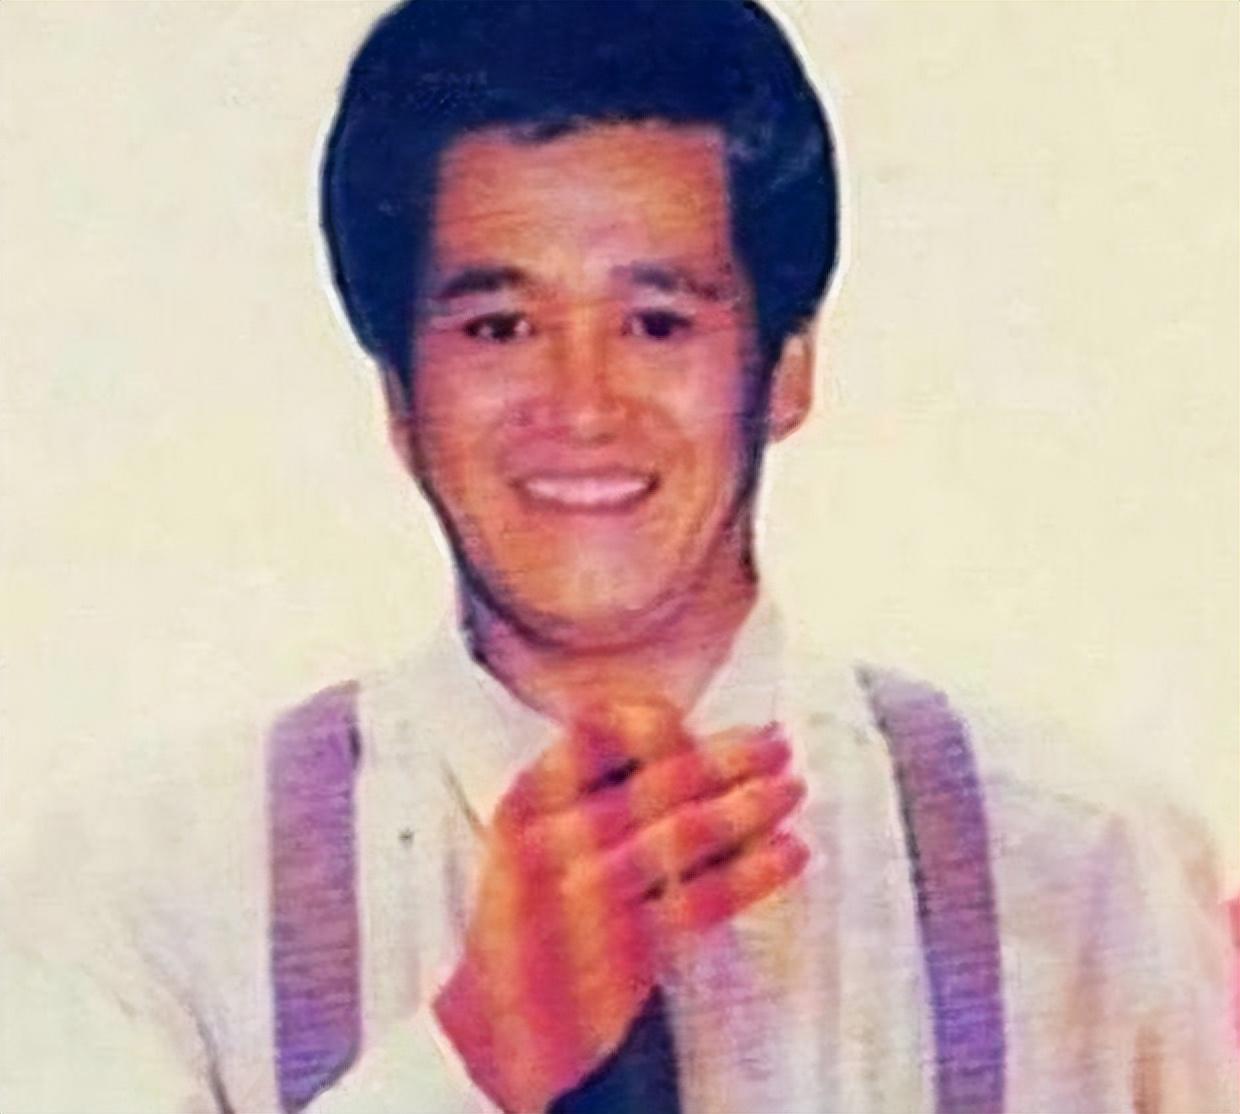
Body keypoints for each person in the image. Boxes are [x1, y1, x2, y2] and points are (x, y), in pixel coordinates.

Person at [2, 2, 1235, 1111]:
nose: (581, 404)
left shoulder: (1084, 869)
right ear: (399, 396)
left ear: (785, 368)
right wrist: (471, 1060)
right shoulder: (150, 897)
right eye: (500, 326)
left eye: (656, 322)